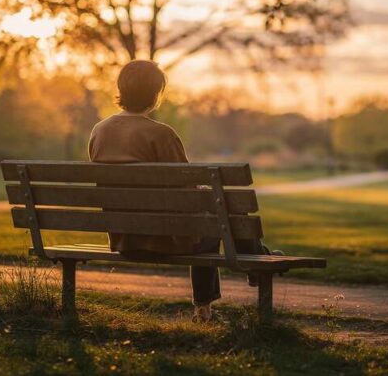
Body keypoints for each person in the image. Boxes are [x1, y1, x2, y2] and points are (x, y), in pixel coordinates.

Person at [87, 60, 269, 322]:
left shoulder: (99, 131)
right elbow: (187, 193)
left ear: (122, 90)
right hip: (162, 240)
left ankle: (252, 267)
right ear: (155, 94)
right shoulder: (161, 134)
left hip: (124, 239)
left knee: (215, 215)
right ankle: (253, 266)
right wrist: (205, 192)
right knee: (220, 213)